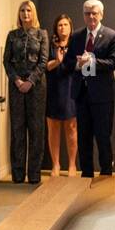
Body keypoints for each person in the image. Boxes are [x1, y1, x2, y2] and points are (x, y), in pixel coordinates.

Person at [62, 0, 115, 177]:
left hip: (103, 96)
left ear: (101, 14)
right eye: (87, 13)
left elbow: (114, 62)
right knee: (84, 138)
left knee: (103, 138)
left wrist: (93, 61)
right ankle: (86, 175)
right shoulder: (77, 36)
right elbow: (67, 63)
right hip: (82, 95)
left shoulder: (111, 35)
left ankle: (105, 175)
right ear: (84, 15)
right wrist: (78, 65)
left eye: (94, 13)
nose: (91, 16)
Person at [2, 0, 49, 184]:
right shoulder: (12, 35)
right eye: (22, 10)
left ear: (33, 13)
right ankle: (18, 174)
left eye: (28, 10)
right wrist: (17, 80)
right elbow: (7, 61)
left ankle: (34, 174)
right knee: (17, 130)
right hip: (16, 86)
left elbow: (44, 61)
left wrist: (30, 81)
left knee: (36, 130)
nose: (25, 13)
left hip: (36, 86)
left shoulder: (42, 34)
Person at [45, 14, 79, 178]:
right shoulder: (50, 45)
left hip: (71, 88)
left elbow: (80, 65)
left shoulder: (76, 44)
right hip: (54, 88)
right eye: (59, 25)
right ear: (56, 28)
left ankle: (72, 165)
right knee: (53, 127)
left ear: (70, 27)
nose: (62, 28)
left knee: (71, 127)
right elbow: (45, 66)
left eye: (65, 24)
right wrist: (58, 61)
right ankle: (56, 164)